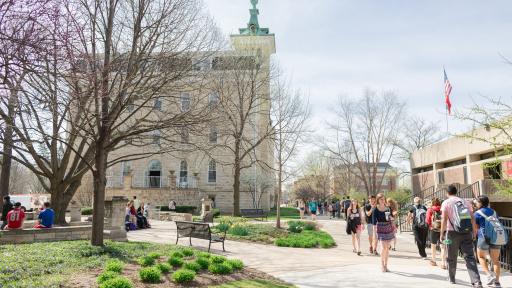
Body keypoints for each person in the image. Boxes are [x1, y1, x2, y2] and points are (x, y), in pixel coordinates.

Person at [440, 184, 482, 287]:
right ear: (456, 191)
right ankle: (476, 281)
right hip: (467, 232)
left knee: (451, 256)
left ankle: (452, 278)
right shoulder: (465, 202)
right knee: (470, 257)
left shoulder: (446, 202)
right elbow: (472, 218)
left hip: (451, 233)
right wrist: (474, 232)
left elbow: (444, 219)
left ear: (447, 193)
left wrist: (442, 233)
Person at [474, 195, 504, 288]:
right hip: (496, 237)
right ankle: (497, 282)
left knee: (481, 257)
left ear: (480, 203)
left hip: (483, 237)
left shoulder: (477, 213)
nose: (476, 203)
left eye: (477, 202)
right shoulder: (494, 212)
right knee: (495, 261)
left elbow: (476, 228)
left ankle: (489, 275)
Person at [372, 193, 394, 272]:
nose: (383, 200)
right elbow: (374, 222)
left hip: (388, 228)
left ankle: (386, 265)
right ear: (378, 200)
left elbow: (390, 218)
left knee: (387, 248)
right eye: (381, 199)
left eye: (384, 199)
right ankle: (382, 265)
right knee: (383, 247)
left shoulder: (388, 208)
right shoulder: (375, 209)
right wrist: (374, 233)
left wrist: (391, 218)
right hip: (380, 228)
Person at [426, 197, 446, 268]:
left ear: (432, 202)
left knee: (433, 245)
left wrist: (430, 226)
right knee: (443, 246)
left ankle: (434, 261)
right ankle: (443, 263)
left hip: (433, 229)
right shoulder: (443, 209)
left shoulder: (430, 209)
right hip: (443, 230)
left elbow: (428, 220)